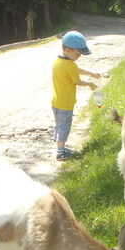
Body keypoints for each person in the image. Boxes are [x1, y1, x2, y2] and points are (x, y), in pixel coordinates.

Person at [51, 30, 100, 161]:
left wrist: (90, 73)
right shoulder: (70, 65)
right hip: (65, 103)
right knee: (64, 127)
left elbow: (74, 70)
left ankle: (61, 147)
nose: (79, 56)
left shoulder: (58, 61)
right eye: (78, 54)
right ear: (68, 50)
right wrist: (89, 84)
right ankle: (60, 153)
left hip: (56, 101)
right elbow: (77, 80)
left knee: (59, 125)